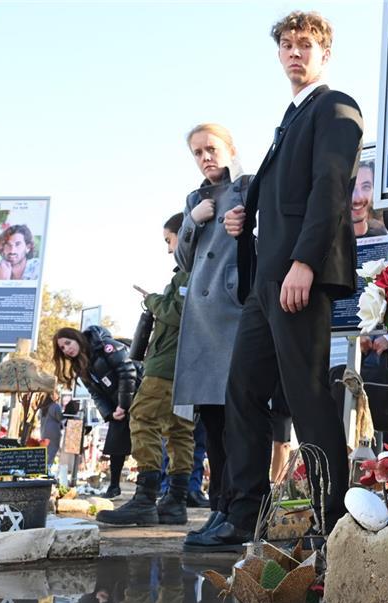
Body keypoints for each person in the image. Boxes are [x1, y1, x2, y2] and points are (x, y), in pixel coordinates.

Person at [186, 10, 364, 552]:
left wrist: (306, 262)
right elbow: (281, 198)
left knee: (307, 394)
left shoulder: (336, 107)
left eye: (306, 44)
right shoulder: (288, 119)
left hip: (297, 274)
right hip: (264, 279)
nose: (295, 52)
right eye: (287, 44)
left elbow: (330, 187)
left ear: (325, 54)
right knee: (241, 390)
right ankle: (242, 513)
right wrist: (245, 223)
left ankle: (334, 521)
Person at [172, 123, 252, 539]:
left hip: (233, 314)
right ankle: (219, 507)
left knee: (237, 420)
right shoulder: (194, 199)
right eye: (198, 152)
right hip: (201, 322)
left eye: (211, 148)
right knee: (213, 424)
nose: (205, 157)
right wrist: (192, 220)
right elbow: (184, 261)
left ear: (229, 148)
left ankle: (237, 509)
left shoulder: (248, 186)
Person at [99, 214, 197, 527]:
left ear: (184, 234)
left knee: (142, 418)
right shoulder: (200, 267)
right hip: (188, 365)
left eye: (169, 240)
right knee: (180, 431)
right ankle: (175, 502)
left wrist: (153, 300)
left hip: (167, 364)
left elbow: (177, 313)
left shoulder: (188, 272)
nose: (168, 249)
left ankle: (145, 499)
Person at [51, 326, 139, 500]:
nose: (67, 349)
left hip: (139, 398)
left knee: (145, 444)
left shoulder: (106, 347)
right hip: (118, 406)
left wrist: (124, 404)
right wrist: (110, 413)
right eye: (62, 348)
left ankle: (148, 488)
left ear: (77, 338)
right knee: (115, 444)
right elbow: (95, 393)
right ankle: (114, 486)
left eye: (68, 343)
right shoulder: (81, 366)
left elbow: (127, 372)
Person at [351, 159, 387, 238]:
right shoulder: (328, 239)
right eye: (351, 187)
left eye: (366, 187)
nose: (358, 198)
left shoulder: (382, 235)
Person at [38, 390, 64, 472]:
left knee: (45, 451)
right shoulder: (55, 406)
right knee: (52, 450)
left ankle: (42, 468)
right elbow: (60, 418)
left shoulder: (42, 408)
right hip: (54, 432)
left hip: (43, 432)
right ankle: (47, 469)